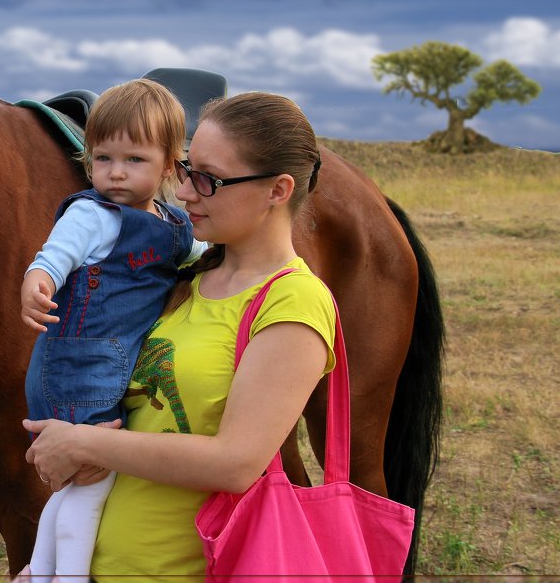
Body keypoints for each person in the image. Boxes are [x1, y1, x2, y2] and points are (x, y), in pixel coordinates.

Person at [23, 91, 338, 580]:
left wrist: (82, 445)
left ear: (277, 190)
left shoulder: (292, 301)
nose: (186, 192)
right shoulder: (183, 279)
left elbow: (235, 463)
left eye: (209, 180)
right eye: (189, 172)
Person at [19, 79, 207, 582]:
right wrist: (37, 282)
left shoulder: (170, 222)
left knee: (73, 485)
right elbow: (54, 256)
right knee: (93, 480)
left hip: (104, 367)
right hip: (78, 368)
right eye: (103, 159)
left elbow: (195, 257)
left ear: (169, 164)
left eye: (134, 160)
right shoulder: (92, 215)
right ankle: (72, 576)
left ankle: (42, 572)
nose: (116, 173)